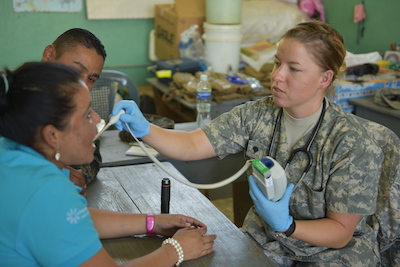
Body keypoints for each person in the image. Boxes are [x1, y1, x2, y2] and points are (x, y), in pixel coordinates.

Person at [111, 20, 384, 265]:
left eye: (294, 69)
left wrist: (287, 226)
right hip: (267, 241)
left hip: (333, 256)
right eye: (278, 63)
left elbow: (339, 233)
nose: (277, 75)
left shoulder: (352, 143)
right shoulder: (257, 114)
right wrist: (145, 129)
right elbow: (192, 145)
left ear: (325, 78)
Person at [0, 61, 216, 266]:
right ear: (52, 135)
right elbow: (57, 211)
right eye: (86, 115)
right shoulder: (46, 192)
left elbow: (72, 220)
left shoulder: (12, 153)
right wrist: (175, 250)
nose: (98, 120)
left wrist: (153, 223)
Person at [42, 28, 107, 194]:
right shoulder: (11, 101)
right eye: (76, 71)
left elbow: (92, 155)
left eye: (91, 79)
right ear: (49, 55)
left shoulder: (76, 109)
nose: (82, 85)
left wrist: (77, 176)